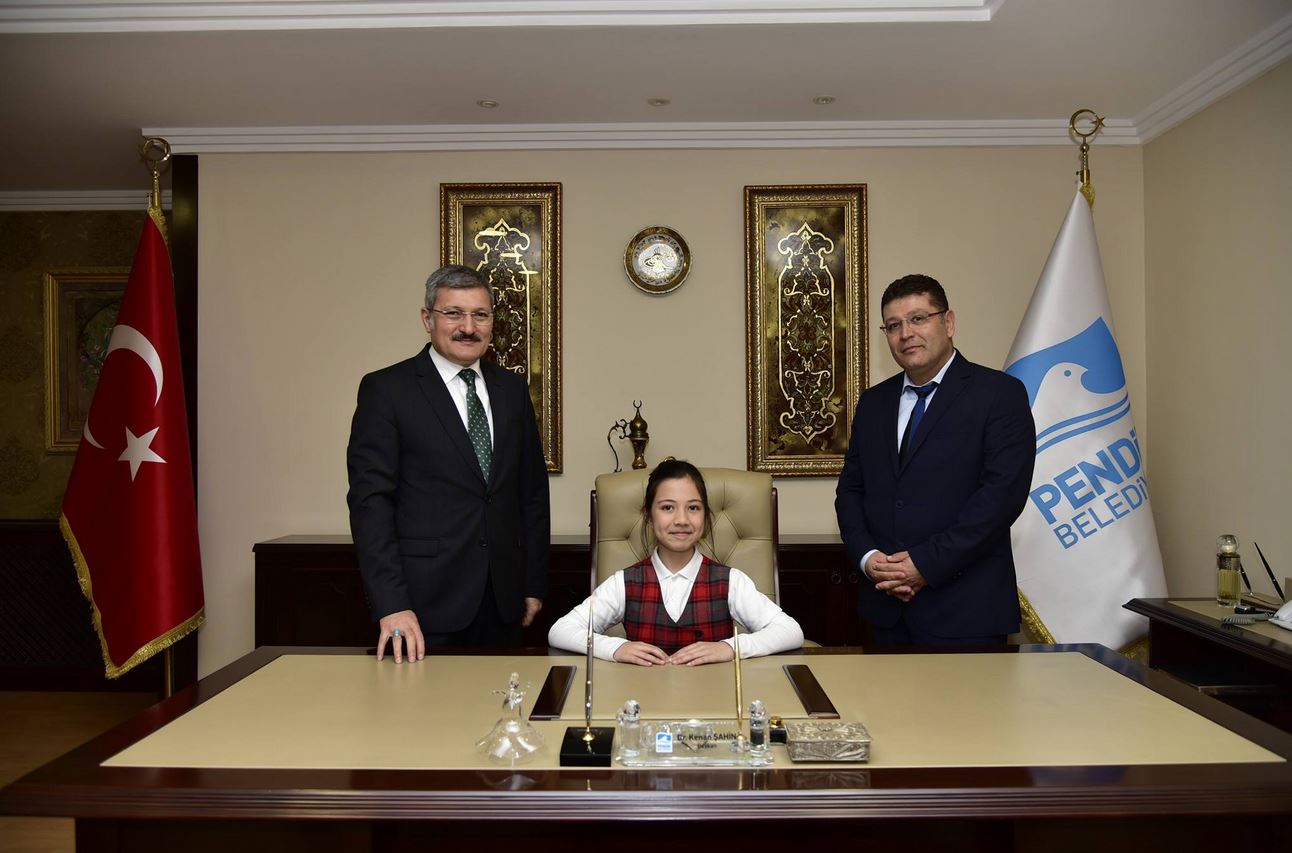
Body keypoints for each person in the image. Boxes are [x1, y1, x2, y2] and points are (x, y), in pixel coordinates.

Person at [347, 265, 550, 662]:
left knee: (501, 716)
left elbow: (532, 495)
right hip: (423, 605)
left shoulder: (511, 390)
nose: (468, 327)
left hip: (503, 602)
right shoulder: (387, 390)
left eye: (480, 314)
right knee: (426, 721)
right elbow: (371, 504)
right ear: (428, 319)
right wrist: (391, 604)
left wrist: (532, 583)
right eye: (453, 313)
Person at [834, 274, 1035, 646]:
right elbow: (851, 490)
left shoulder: (1000, 395)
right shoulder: (873, 403)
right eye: (893, 326)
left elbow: (1000, 499)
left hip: (967, 613)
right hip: (886, 611)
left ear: (949, 322)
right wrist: (868, 558)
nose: (905, 333)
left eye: (918, 318)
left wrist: (923, 565)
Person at [549, 459, 803, 665]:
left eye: (693, 508)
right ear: (648, 516)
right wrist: (615, 647)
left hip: (713, 708)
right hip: (643, 706)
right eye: (668, 508)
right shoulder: (624, 583)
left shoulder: (730, 581)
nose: (681, 520)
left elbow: (791, 632)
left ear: (705, 516)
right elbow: (560, 631)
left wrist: (730, 648)